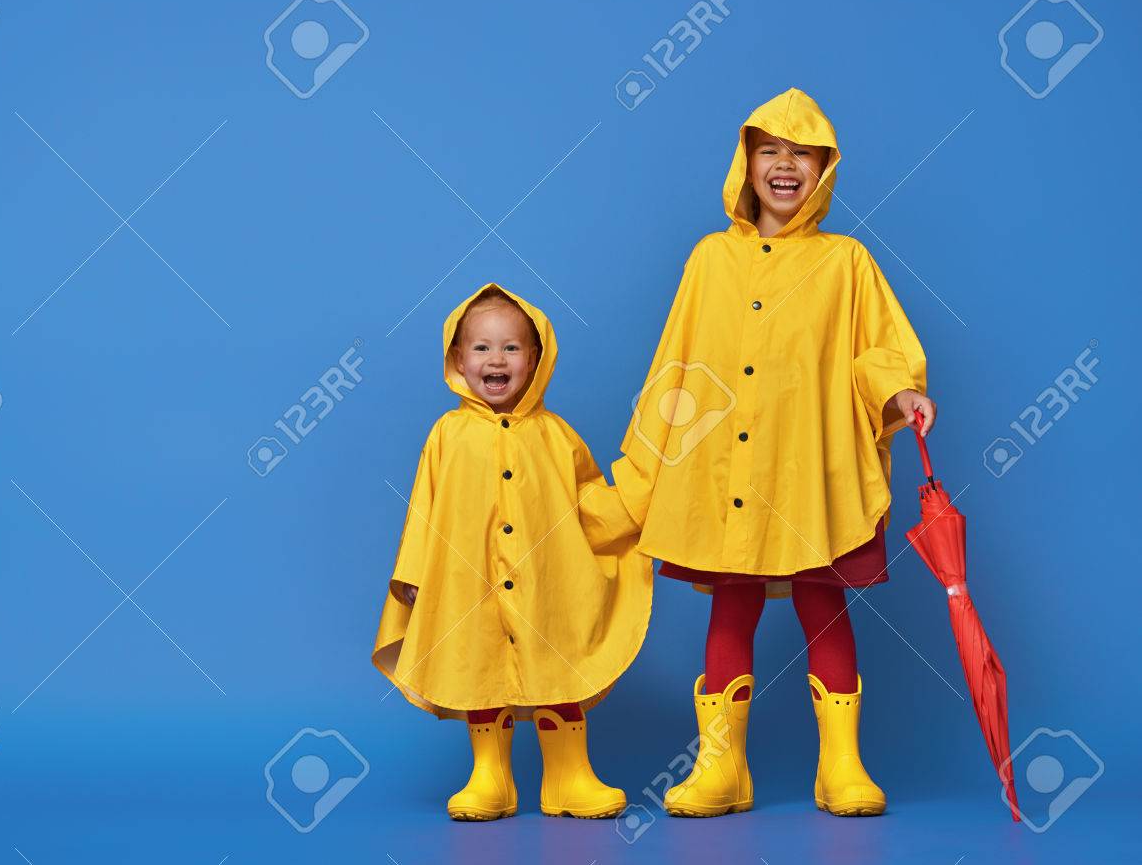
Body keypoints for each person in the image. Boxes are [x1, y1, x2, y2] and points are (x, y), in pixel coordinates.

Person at [614, 88, 935, 818]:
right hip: (727, 468)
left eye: (802, 153)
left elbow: (876, 349)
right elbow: (680, 363)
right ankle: (721, 769)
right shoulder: (709, 259)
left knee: (825, 605)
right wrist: (649, 462)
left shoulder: (845, 262)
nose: (784, 167)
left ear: (824, 170)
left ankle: (841, 766)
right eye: (770, 151)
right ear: (747, 162)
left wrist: (898, 396)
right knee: (732, 606)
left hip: (809, 472)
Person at [373, 283, 652, 821]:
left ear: (536, 357)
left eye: (510, 348)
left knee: (561, 659)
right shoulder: (447, 435)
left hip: (550, 576)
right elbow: (424, 507)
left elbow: (588, 498)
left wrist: (636, 506)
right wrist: (411, 571)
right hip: (468, 580)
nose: (495, 359)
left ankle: (570, 776)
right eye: (480, 348)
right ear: (457, 359)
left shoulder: (556, 435)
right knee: (479, 664)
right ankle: (490, 777)